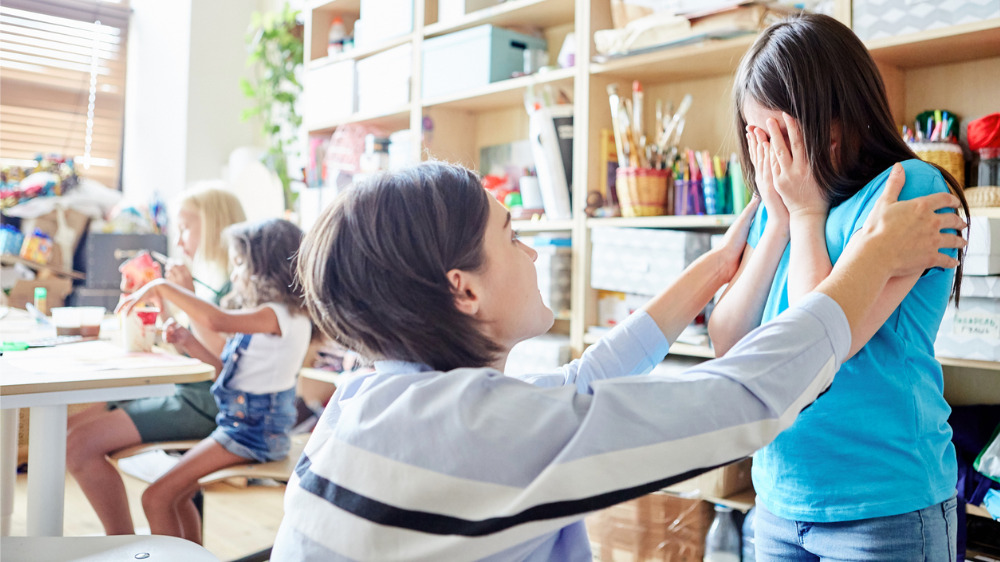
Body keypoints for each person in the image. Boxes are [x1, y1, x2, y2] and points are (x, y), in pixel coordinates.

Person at [270, 160, 964, 560]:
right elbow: (742, 398)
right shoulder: (477, 435)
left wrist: (714, 270)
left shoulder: (374, 403)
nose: (534, 252)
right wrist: (870, 260)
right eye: (512, 236)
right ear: (465, 288)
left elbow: (574, 388)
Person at [708, 13, 970, 561]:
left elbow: (818, 344)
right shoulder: (778, 213)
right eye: (757, 138)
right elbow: (729, 341)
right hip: (780, 498)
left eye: (778, 134)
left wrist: (804, 212)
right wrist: (780, 220)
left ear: (831, 116)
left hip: (886, 506)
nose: (769, 157)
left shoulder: (909, 190)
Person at [115, 218, 312, 543]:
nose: (234, 275)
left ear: (266, 267)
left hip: (251, 433)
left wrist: (162, 287)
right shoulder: (274, 315)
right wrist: (188, 342)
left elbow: (216, 320)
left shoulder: (278, 314)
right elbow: (225, 371)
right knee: (174, 496)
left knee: (156, 497)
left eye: (239, 264)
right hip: (243, 426)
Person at [66, 182, 245, 535]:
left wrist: (188, 298)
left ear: (213, 227)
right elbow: (189, 345)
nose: (178, 241)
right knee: (76, 432)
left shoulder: (234, 287)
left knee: (78, 446)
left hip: (208, 403)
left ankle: (121, 544)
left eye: (186, 228)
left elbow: (223, 360)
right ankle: (148, 547)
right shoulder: (211, 279)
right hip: (188, 393)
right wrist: (163, 312)